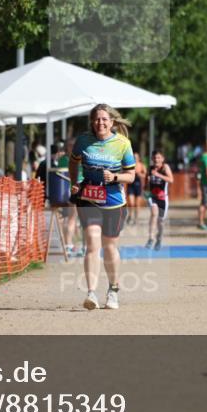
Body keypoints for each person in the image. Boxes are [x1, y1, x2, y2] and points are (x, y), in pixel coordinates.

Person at [68, 104, 137, 310]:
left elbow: (131, 175)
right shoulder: (83, 141)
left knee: (109, 247)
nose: (101, 123)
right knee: (91, 243)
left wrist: (115, 176)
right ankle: (91, 294)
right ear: (92, 121)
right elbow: (74, 162)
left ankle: (113, 290)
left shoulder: (123, 143)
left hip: (114, 201)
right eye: (97, 119)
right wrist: (75, 180)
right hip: (88, 198)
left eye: (104, 119)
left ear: (112, 122)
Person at [145, 149, 174, 250]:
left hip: (163, 198)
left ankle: (159, 239)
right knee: (154, 214)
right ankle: (150, 238)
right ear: (152, 159)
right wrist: (147, 183)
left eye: (158, 157)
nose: (156, 160)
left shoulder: (165, 167)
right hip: (152, 197)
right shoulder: (150, 168)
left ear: (162, 159)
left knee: (161, 221)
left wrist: (158, 175)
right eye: (155, 158)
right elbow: (146, 185)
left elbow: (171, 180)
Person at [127, 152, 146, 225]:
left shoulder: (141, 165)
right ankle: (130, 215)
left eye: (136, 157)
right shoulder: (130, 165)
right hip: (131, 185)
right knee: (131, 203)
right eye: (134, 157)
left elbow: (145, 175)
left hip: (138, 185)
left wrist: (139, 174)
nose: (135, 158)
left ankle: (136, 218)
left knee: (137, 204)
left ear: (139, 158)